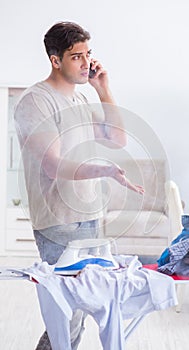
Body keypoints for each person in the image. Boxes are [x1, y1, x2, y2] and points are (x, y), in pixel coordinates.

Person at [14, 21, 144, 350]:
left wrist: (103, 89)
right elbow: (53, 165)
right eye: (76, 57)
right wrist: (103, 170)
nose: (87, 63)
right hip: (58, 220)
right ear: (55, 60)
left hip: (89, 214)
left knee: (84, 309)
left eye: (89, 54)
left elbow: (118, 138)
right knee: (67, 311)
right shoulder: (36, 101)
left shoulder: (82, 99)